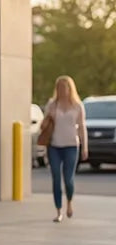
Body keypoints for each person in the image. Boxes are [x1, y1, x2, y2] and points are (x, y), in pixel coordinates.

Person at [43, 75, 87, 222]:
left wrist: (84, 147)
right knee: (56, 178)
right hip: (54, 146)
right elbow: (43, 126)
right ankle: (58, 211)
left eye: (64, 87)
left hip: (71, 146)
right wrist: (49, 116)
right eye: (59, 87)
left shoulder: (77, 105)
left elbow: (82, 128)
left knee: (68, 179)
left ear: (70, 88)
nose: (61, 90)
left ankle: (69, 202)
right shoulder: (52, 104)